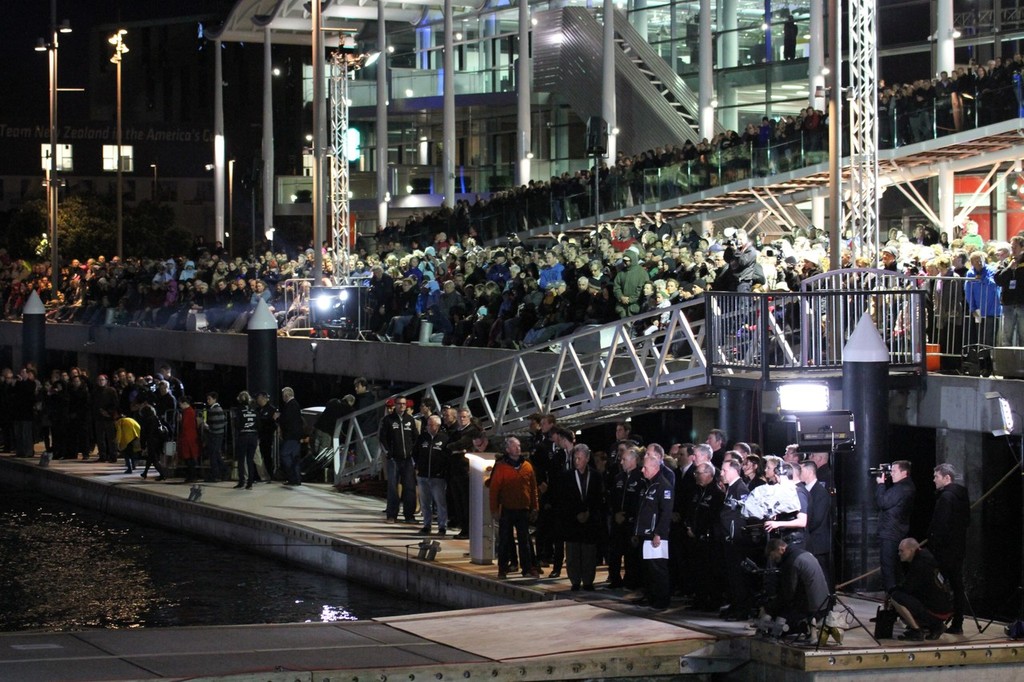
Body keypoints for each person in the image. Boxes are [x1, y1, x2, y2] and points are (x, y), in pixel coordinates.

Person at [489, 436, 540, 579]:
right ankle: (503, 569)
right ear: (507, 449)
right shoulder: (501, 467)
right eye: (514, 446)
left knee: (525, 541)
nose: (518, 448)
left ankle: (527, 568)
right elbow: (494, 489)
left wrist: (535, 507)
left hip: (523, 509)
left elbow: (533, 488)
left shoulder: (527, 466)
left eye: (518, 445)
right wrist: (494, 509)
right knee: (505, 540)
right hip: (507, 509)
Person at [928, 463, 970, 634]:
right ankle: (957, 622)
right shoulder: (962, 496)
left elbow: (941, 526)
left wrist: (933, 543)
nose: (934, 480)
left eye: (936, 476)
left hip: (945, 551)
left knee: (935, 586)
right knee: (957, 586)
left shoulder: (946, 498)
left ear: (947, 478)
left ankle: (934, 622)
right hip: (958, 548)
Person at [559, 443, 605, 591]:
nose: (576, 461)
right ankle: (575, 580)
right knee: (572, 552)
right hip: (572, 520)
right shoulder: (567, 476)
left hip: (590, 519)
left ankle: (588, 581)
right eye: (575, 458)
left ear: (587, 458)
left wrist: (588, 512)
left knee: (588, 553)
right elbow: (564, 499)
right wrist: (576, 513)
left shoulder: (596, 476)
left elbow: (598, 497)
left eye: (579, 458)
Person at [889, 538, 953, 641]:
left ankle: (916, 631)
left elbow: (906, 588)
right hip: (945, 608)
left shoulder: (919, 563)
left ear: (910, 550)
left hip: (937, 611)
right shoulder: (926, 556)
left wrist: (890, 592)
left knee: (896, 597)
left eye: (901, 551)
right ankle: (935, 626)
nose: (899, 554)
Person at [765, 538, 831, 636]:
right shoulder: (803, 553)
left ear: (780, 549)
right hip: (824, 605)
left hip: (812, 610)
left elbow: (788, 593)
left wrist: (771, 609)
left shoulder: (791, 562)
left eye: (772, 555)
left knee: (778, 623)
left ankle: (805, 627)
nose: (772, 559)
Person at [634, 451, 674, 610]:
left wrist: (659, 533)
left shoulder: (664, 486)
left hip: (656, 536)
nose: (642, 470)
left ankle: (662, 601)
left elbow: (666, 512)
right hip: (646, 534)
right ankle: (651, 597)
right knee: (649, 569)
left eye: (645, 467)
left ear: (654, 467)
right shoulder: (648, 485)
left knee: (658, 569)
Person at [875, 460, 915, 592]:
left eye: (894, 471)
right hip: (896, 531)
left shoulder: (901, 488)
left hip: (891, 533)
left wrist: (881, 485)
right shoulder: (905, 487)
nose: (891, 474)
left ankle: (893, 599)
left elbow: (883, 502)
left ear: (904, 472)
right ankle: (897, 599)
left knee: (889, 569)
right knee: (895, 569)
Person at [607, 446, 643, 589]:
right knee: (615, 552)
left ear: (634, 460)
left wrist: (628, 515)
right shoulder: (618, 477)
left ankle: (631, 580)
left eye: (624, 459)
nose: (621, 462)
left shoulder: (640, 477)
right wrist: (616, 513)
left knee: (630, 553)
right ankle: (615, 579)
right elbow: (613, 498)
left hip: (631, 522)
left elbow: (639, 502)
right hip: (617, 521)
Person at [379, 396, 418, 523]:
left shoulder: (410, 420)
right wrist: (388, 453)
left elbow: (415, 437)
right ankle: (392, 515)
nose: (401, 406)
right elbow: (382, 438)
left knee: (410, 487)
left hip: (407, 459)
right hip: (394, 459)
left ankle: (409, 515)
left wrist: (413, 452)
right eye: (399, 404)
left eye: (403, 404)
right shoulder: (388, 420)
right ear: (395, 405)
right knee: (393, 488)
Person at [414, 414, 450, 536]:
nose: (429, 427)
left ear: (438, 426)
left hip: (437, 476)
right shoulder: (422, 438)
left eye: (431, 425)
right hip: (423, 475)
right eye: (428, 424)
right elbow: (415, 453)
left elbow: (447, 457)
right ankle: (426, 525)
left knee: (440, 502)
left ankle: (442, 526)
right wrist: (417, 467)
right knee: (425, 503)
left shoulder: (444, 439)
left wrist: (443, 471)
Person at [277, 386, 305, 487]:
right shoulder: (296, 405)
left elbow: (286, 420)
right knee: (295, 457)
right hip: (296, 436)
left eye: (283, 396)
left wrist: (278, 418)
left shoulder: (290, 405)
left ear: (286, 395)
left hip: (291, 435)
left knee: (284, 454)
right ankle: (296, 479)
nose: (282, 398)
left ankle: (292, 476)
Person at [233, 391, 260, 489]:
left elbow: (237, 425)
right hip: (253, 436)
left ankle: (241, 481)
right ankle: (250, 483)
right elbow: (258, 424)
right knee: (250, 459)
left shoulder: (239, 411)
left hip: (243, 436)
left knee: (241, 459)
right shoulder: (254, 410)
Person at [137, 402, 169, 481]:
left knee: (154, 459)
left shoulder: (146, 420)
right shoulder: (156, 418)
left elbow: (144, 434)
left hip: (151, 441)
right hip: (158, 441)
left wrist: (143, 445)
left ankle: (162, 474)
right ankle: (145, 473)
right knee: (150, 458)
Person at [202, 392, 228, 482]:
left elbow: (215, 425)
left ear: (214, 399)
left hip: (214, 435)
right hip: (219, 434)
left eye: (209, 399)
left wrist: (207, 427)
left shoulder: (214, 410)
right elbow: (224, 421)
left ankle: (216, 474)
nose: (208, 401)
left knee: (213, 455)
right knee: (216, 454)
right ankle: (223, 471)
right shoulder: (219, 409)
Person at [177, 395, 202, 483]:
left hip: (187, 437)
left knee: (189, 459)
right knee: (190, 458)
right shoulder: (191, 411)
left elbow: (185, 426)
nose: (179, 405)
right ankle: (191, 476)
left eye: (180, 404)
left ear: (184, 403)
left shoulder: (188, 412)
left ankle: (191, 476)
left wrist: (180, 421)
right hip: (190, 437)